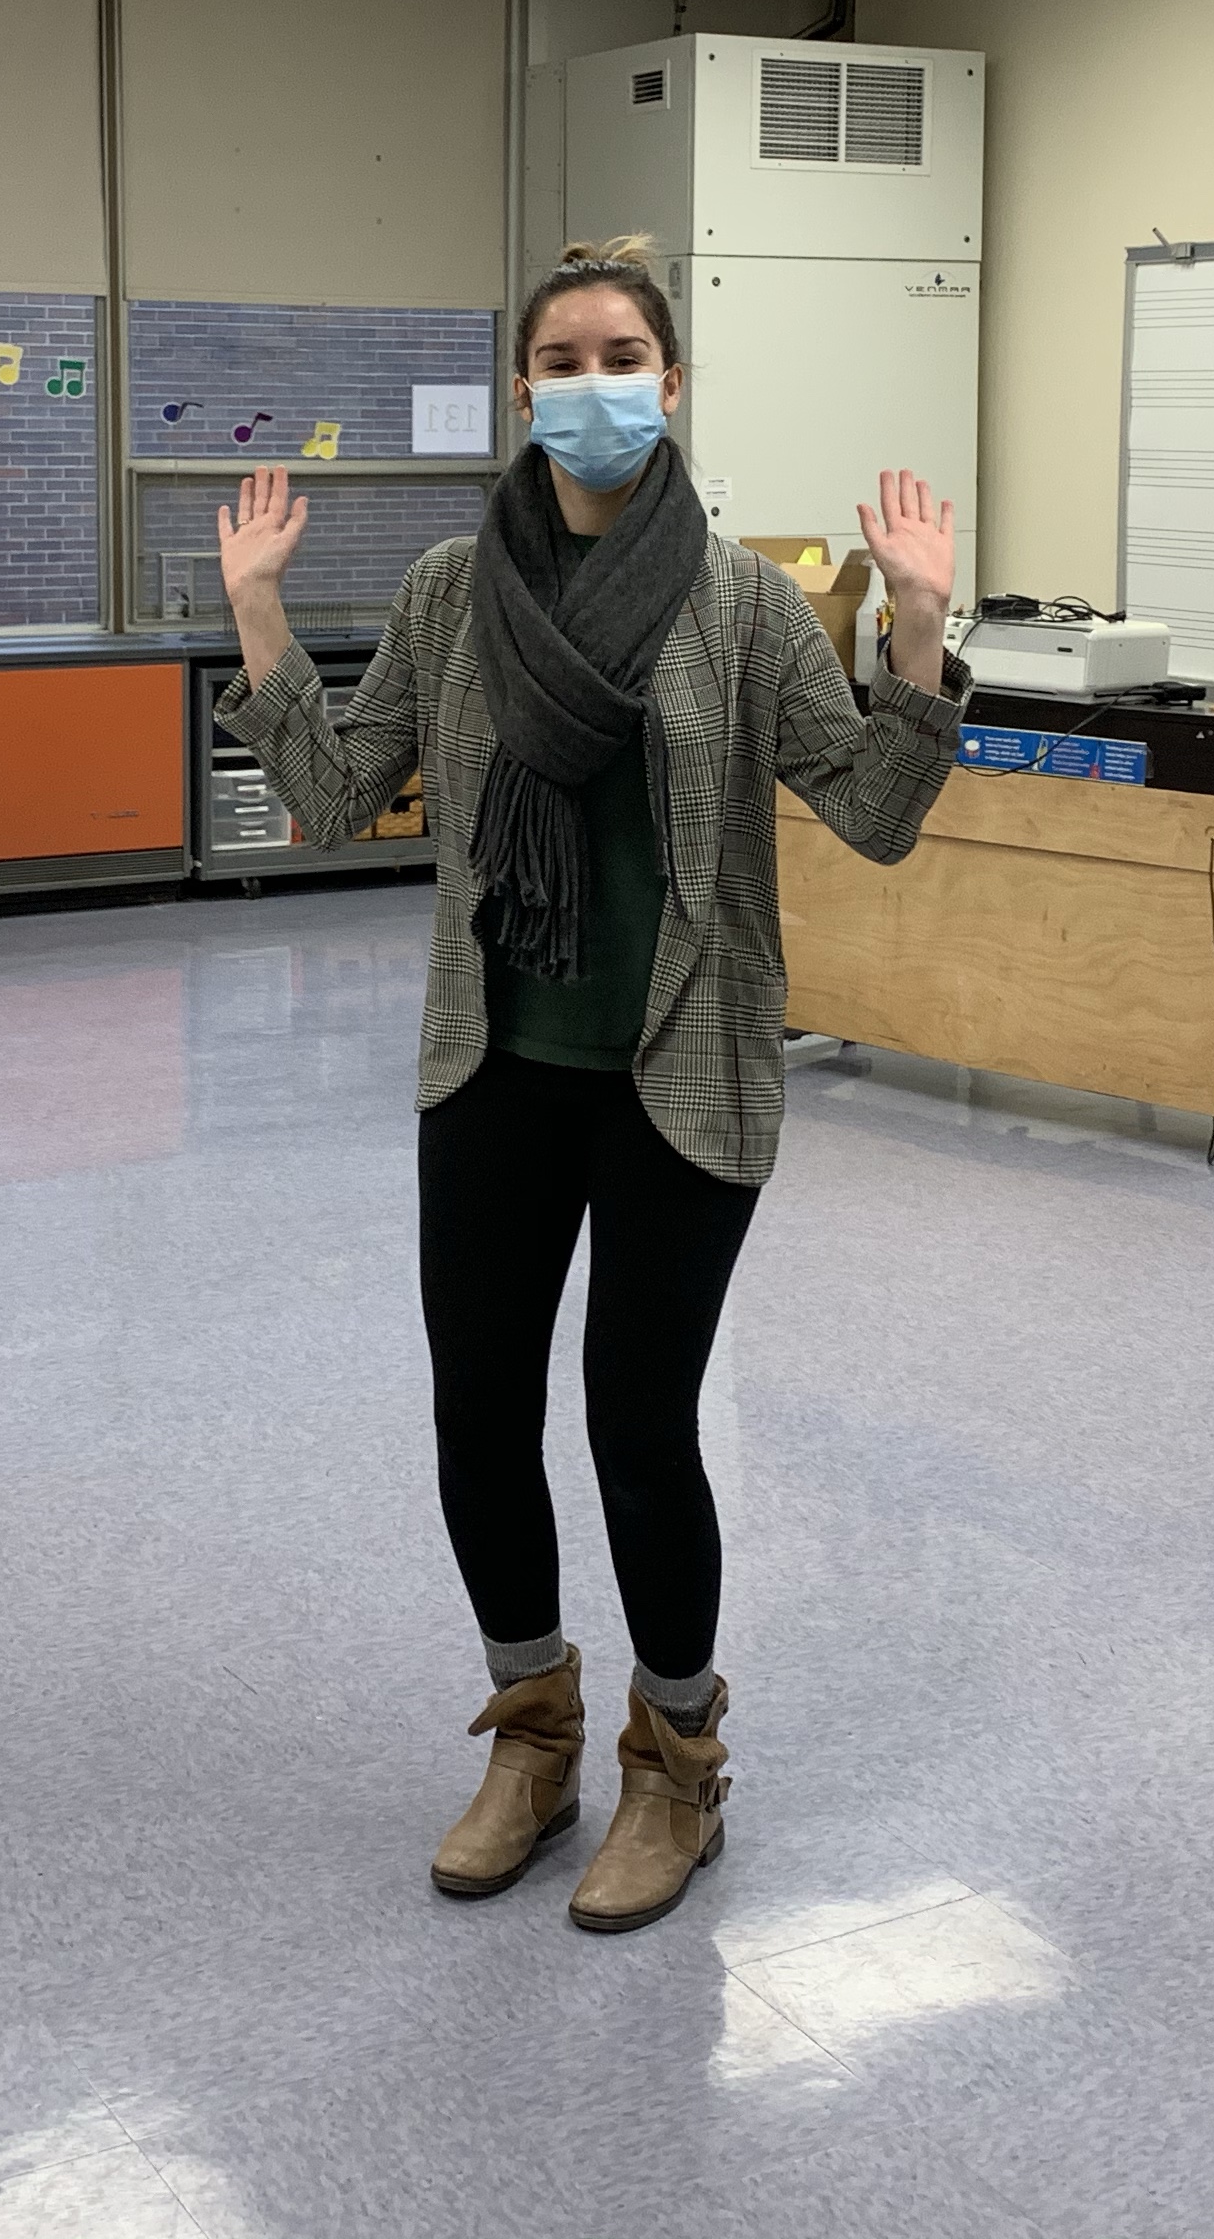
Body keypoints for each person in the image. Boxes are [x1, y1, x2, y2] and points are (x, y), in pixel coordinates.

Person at [213, 233, 969, 1935]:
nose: (594, 385)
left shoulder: (745, 605)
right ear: (523, 391)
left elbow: (871, 813)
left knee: (638, 1425)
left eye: (623, 357)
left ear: (672, 383)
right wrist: (257, 608)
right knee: (479, 1412)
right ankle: (535, 1733)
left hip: (681, 1070)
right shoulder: (449, 593)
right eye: (562, 361)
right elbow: (335, 797)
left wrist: (918, 631)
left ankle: (678, 1764)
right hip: (497, 1058)